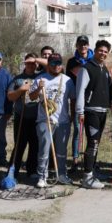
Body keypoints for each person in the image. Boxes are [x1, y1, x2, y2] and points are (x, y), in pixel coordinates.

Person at [30, 53, 75, 188]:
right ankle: (42, 176)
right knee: (44, 149)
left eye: (59, 63)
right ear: (48, 64)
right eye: (54, 63)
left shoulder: (67, 80)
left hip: (63, 122)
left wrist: (72, 116)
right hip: (44, 120)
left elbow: (72, 99)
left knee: (61, 150)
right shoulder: (40, 79)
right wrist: (39, 88)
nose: (57, 66)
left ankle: (61, 174)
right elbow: (32, 97)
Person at [75, 39, 112, 189]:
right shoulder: (87, 68)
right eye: (100, 50)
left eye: (105, 51)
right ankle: (87, 177)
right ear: (95, 50)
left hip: (103, 111)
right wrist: (80, 111)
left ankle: (92, 172)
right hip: (90, 111)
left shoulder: (104, 69)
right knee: (93, 143)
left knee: (96, 144)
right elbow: (80, 91)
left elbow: (106, 90)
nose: (103, 53)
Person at [6, 52, 40, 180]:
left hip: (36, 117)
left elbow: (50, 66)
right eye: (28, 63)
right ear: (24, 64)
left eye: (33, 63)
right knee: (19, 145)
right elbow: (10, 97)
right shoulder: (17, 79)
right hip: (21, 117)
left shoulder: (40, 77)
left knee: (34, 145)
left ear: (36, 64)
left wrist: (36, 59)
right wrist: (21, 90)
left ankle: (31, 171)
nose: (30, 65)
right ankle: (12, 171)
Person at [65, 35, 93, 172]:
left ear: (88, 45)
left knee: (90, 132)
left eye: (85, 44)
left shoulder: (94, 60)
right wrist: (71, 103)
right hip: (76, 100)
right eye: (80, 44)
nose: (83, 47)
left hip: (91, 100)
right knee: (77, 130)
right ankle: (75, 160)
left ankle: (90, 160)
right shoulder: (71, 62)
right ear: (77, 46)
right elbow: (68, 82)